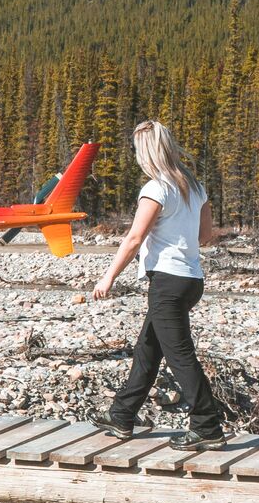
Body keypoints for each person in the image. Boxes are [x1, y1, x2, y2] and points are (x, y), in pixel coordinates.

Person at [91, 120, 228, 449]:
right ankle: (122, 415)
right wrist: (179, 243)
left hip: (167, 283)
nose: (135, 155)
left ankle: (207, 426)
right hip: (191, 279)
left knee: (180, 356)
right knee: (148, 350)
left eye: (136, 149)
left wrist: (108, 277)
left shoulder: (155, 188)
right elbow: (206, 236)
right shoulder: (194, 186)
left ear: (147, 151)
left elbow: (134, 237)